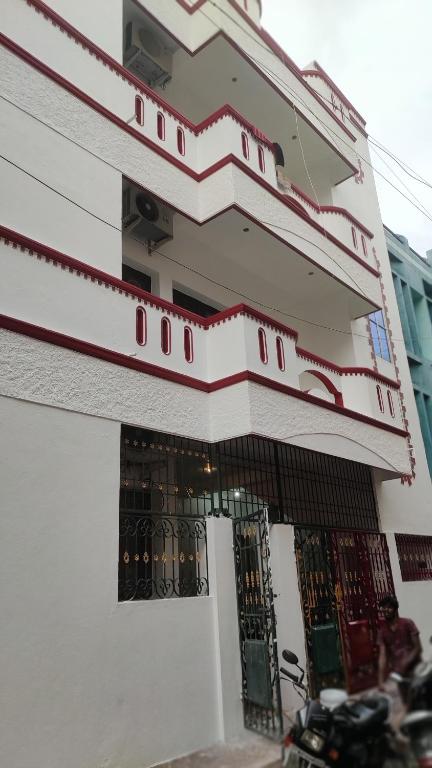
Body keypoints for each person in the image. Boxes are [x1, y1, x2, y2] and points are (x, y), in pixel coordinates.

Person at [377, 595, 422, 704]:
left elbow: (418, 648)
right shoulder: (382, 632)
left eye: (388, 607)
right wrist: (380, 680)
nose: (385, 611)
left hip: (415, 669)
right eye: (383, 608)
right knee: (407, 704)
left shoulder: (407, 623)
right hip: (400, 675)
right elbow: (382, 656)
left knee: (423, 699)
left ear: (395, 608)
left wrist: (405, 663)